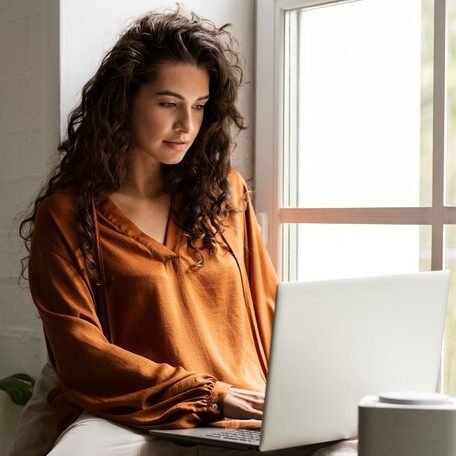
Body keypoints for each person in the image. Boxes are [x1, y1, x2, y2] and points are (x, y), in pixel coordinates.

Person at [14, 8, 355, 456]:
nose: (187, 126)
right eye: (168, 104)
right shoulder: (68, 216)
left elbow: (268, 308)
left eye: (199, 106)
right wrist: (209, 393)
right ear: (125, 102)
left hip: (245, 411)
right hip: (134, 414)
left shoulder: (224, 194)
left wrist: (305, 398)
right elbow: (80, 355)